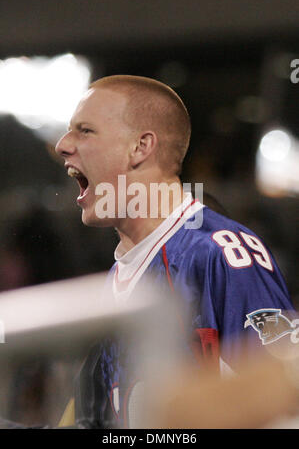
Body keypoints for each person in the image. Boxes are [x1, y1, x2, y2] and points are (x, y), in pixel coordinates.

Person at [54, 75, 296, 428]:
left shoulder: (221, 253)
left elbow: (285, 405)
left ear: (141, 147)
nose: (62, 144)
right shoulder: (119, 278)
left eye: (85, 130)